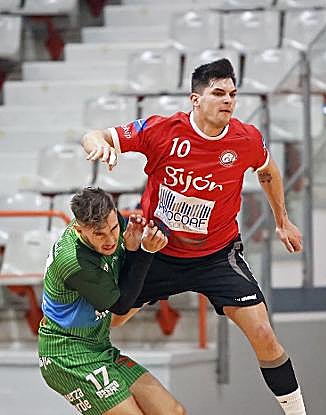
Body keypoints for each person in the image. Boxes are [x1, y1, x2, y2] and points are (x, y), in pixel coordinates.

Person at [80, 58, 307, 414]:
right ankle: (91, 377)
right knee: (111, 320)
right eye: (218, 93)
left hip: (217, 255)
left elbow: (268, 171)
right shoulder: (162, 130)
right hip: (158, 251)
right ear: (195, 99)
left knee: (264, 334)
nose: (228, 100)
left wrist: (283, 220)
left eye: (232, 94)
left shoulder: (246, 139)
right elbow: (95, 135)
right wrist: (99, 145)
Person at [38, 187, 180, 415]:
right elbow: (120, 307)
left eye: (114, 228)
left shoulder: (114, 222)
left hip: (99, 345)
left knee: (172, 411)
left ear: (114, 213)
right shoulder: (75, 262)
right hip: (66, 354)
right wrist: (144, 251)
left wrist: (133, 247)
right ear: (79, 229)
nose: (111, 239)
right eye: (99, 234)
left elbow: (126, 273)